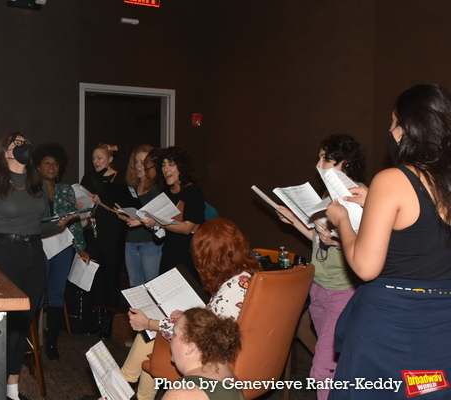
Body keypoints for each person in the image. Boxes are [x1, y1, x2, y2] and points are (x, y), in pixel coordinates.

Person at [326, 83, 451, 399]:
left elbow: (366, 267)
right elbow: (427, 230)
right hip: (441, 325)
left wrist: (342, 222)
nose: (390, 130)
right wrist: (376, 204)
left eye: (394, 121)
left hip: (390, 325)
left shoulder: (393, 180)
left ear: (407, 128)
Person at [120, 218, 261, 400]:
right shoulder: (246, 275)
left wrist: (149, 322)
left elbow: (205, 334)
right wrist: (187, 316)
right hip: (239, 350)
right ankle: (132, 389)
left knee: (150, 334)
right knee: (152, 333)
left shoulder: (231, 290)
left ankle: (124, 386)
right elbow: (219, 316)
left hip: (213, 357)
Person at [0, 132, 72, 400]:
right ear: (4, 152)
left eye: (25, 143)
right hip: (3, 255)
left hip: (34, 256)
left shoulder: (37, 185)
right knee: (7, 328)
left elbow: (39, 225)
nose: (23, 147)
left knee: (21, 325)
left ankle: (11, 392)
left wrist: (60, 223)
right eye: (16, 144)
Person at [275, 134, 364, 400]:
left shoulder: (358, 195)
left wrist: (337, 242)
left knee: (321, 371)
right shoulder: (328, 194)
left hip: (343, 292)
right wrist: (294, 221)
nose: (318, 163)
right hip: (319, 288)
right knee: (332, 363)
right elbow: (317, 238)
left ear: (344, 163)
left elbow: (365, 245)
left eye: (325, 158)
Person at [31, 143, 89, 360]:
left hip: (63, 247)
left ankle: (52, 343)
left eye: (55, 163)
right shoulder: (31, 190)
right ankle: (33, 340)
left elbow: (74, 223)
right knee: (37, 296)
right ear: (37, 166)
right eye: (47, 162)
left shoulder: (66, 190)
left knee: (57, 295)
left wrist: (81, 248)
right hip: (39, 247)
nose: (51, 166)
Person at [80, 143, 127, 340]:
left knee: (111, 278)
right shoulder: (88, 178)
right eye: (93, 158)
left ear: (110, 159)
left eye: (100, 158)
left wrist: (101, 203)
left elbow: (123, 212)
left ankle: (108, 321)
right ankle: (97, 318)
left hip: (114, 235)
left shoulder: (121, 180)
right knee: (94, 277)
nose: (96, 162)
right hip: (93, 234)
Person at [140, 147, 205, 282]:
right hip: (169, 252)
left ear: (182, 167)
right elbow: (162, 220)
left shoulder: (192, 191)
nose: (165, 169)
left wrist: (157, 222)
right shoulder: (167, 191)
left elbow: (187, 228)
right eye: (163, 165)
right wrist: (140, 220)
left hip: (188, 255)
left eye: (171, 164)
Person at [163, 307, 244, 400]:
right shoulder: (226, 372)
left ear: (190, 347)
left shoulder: (182, 393)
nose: (171, 338)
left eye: (174, 334)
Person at [121, 145, 163, 287]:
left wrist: (139, 220)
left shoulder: (157, 189)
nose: (139, 166)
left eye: (142, 163)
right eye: (136, 162)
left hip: (149, 242)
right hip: (131, 242)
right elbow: (128, 215)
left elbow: (159, 218)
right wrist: (123, 215)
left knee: (152, 286)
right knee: (135, 287)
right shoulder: (132, 187)